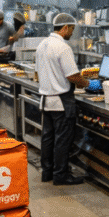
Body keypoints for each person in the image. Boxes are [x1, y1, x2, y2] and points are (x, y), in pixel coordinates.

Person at [37, 13, 89, 186]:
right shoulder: (63, 47)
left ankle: (47, 172)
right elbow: (73, 76)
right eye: (72, 29)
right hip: (61, 102)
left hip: (46, 99)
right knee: (62, 140)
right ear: (65, 27)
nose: (72, 33)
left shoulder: (42, 45)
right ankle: (61, 175)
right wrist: (88, 84)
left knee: (48, 138)